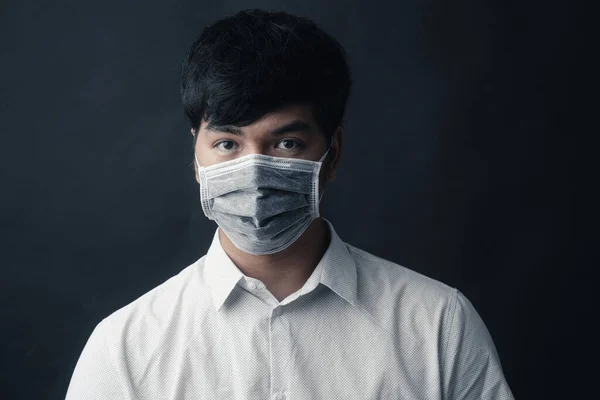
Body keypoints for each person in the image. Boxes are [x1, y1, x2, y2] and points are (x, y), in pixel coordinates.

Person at [65, 9, 514, 400]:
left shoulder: (437, 325)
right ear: (196, 158)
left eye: (285, 143)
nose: (255, 173)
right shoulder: (124, 348)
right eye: (226, 143)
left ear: (332, 153)